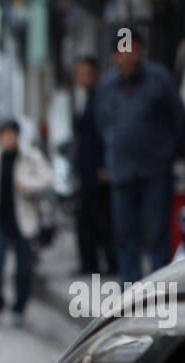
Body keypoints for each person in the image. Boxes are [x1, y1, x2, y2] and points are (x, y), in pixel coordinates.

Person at [94, 26, 185, 283]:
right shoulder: (107, 86)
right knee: (126, 239)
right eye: (123, 50)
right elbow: (102, 126)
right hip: (121, 173)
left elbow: (179, 121)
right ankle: (132, 301)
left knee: (157, 237)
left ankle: (159, 297)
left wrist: (170, 155)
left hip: (155, 171)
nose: (129, 55)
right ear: (115, 55)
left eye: (134, 48)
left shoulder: (160, 79)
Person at [0, 119, 54, 327]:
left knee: (23, 270)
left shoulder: (31, 157)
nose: (8, 139)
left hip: (24, 221)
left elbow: (48, 179)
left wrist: (28, 186)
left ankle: (19, 309)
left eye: (12, 134)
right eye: (4, 135)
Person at [72, 56, 116, 276]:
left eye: (86, 73)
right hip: (85, 170)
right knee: (85, 219)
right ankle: (89, 263)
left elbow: (106, 135)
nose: (82, 78)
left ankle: (111, 262)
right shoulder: (83, 99)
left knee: (103, 220)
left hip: (99, 171)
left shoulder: (102, 99)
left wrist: (105, 166)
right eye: (79, 73)